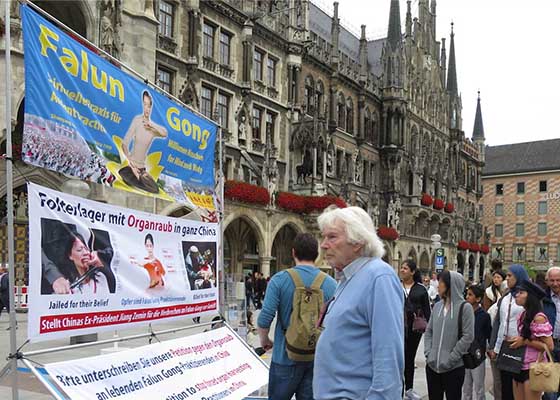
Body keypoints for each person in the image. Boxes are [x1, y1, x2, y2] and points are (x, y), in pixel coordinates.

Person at [313, 206, 404, 399]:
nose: (323, 245)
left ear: (358, 242)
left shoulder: (379, 277)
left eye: (332, 237)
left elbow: (388, 358)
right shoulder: (348, 278)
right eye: (324, 237)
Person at [257, 233, 336, 400]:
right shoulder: (331, 283)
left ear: (293, 252)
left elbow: (265, 317)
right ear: (317, 254)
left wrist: (265, 341)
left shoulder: (279, 279)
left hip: (284, 357)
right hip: (315, 358)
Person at [424, 270, 475, 400]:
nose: (438, 285)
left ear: (450, 285)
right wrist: (428, 353)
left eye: (441, 282)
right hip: (432, 367)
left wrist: (451, 359)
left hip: (453, 368)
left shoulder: (465, 308)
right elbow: (429, 331)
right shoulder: (437, 306)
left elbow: (468, 336)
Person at [489, 264, 529, 400]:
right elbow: (498, 323)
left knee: (517, 390)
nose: (507, 278)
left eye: (510, 276)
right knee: (505, 387)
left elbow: (533, 322)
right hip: (503, 349)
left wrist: (524, 339)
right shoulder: (505, 298)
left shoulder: (528, 297)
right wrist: (493, 346)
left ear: (519, 277)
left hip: (520, 350)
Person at [509, 280, 553, 400]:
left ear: (530, 297)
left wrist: (525, 341)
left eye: (521, 292)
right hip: (519, 365)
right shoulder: (523, 315)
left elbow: (549, 346)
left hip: (534, 368)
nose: (517, 295)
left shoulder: (538, 318)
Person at [119, 90, 168, 194]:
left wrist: (151, 125)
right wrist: (132, 165)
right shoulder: (137, 120)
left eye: (149, 106)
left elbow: (164, 133)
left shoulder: (152, 129)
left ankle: (140, 178)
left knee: (155, 189)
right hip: (130, 168)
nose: (147, 108)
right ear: (142, 105)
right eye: (145, 104)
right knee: (129, 180)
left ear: (151, 108)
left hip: (142, 171)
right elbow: (124, 144)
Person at [401, 260, 431, 400]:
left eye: (405, 268)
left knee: (409, 357)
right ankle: (398, 387)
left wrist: (429, 329)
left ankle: (409, 389)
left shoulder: (420, 289)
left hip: (414, 329)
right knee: (398, 358)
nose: (402, 270)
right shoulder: (396, 286)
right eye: (401, 267)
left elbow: (427, 310)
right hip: (397, 327)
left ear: (413, 272)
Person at [463, 284, 492, 400]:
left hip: (477, 355)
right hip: (464, 353)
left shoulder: (484, 316)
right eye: (467, 294)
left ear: (478, 299)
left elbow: (488, 334)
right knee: (465, 387)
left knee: (479, 387)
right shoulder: (464, 313)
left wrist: (489, 349)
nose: (467, 297)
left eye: (470, 295)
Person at [542, 267, 560, 400]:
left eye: (558, 280)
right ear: (547, 281)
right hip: (549, 347)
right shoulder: (542, 299)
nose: (555, 283)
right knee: (549, 388)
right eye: (552, 280)